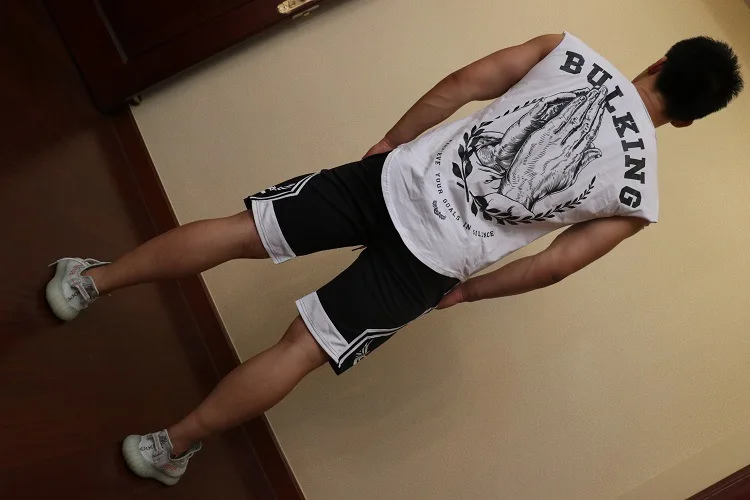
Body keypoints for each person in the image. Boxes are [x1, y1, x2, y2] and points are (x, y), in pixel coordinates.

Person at [45, 32, 742, 485]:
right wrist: (469, 293)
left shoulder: (566, 50)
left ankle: (90, 284)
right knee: (299, 350)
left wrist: (391, 142)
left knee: (238, 233)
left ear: (661, 60)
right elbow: (556, 264)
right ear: (686, 120)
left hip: (393, 182)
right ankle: (166, 446)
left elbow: (464, 81)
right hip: (433, 264)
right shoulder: (639, 197)